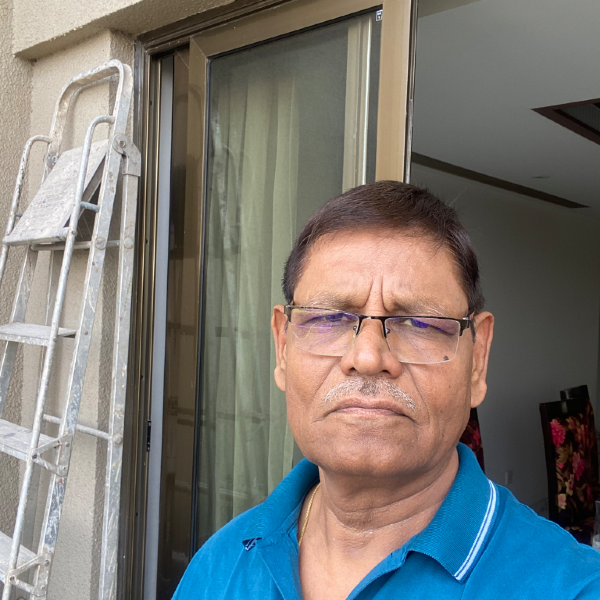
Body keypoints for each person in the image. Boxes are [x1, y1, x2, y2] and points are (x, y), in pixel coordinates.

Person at [173, 181, 600, 599]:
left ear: (478, 359)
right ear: (282, 348)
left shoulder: (574, 587)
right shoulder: (218, 564)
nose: (368, 357)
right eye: (328, 318)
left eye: (419, 323)